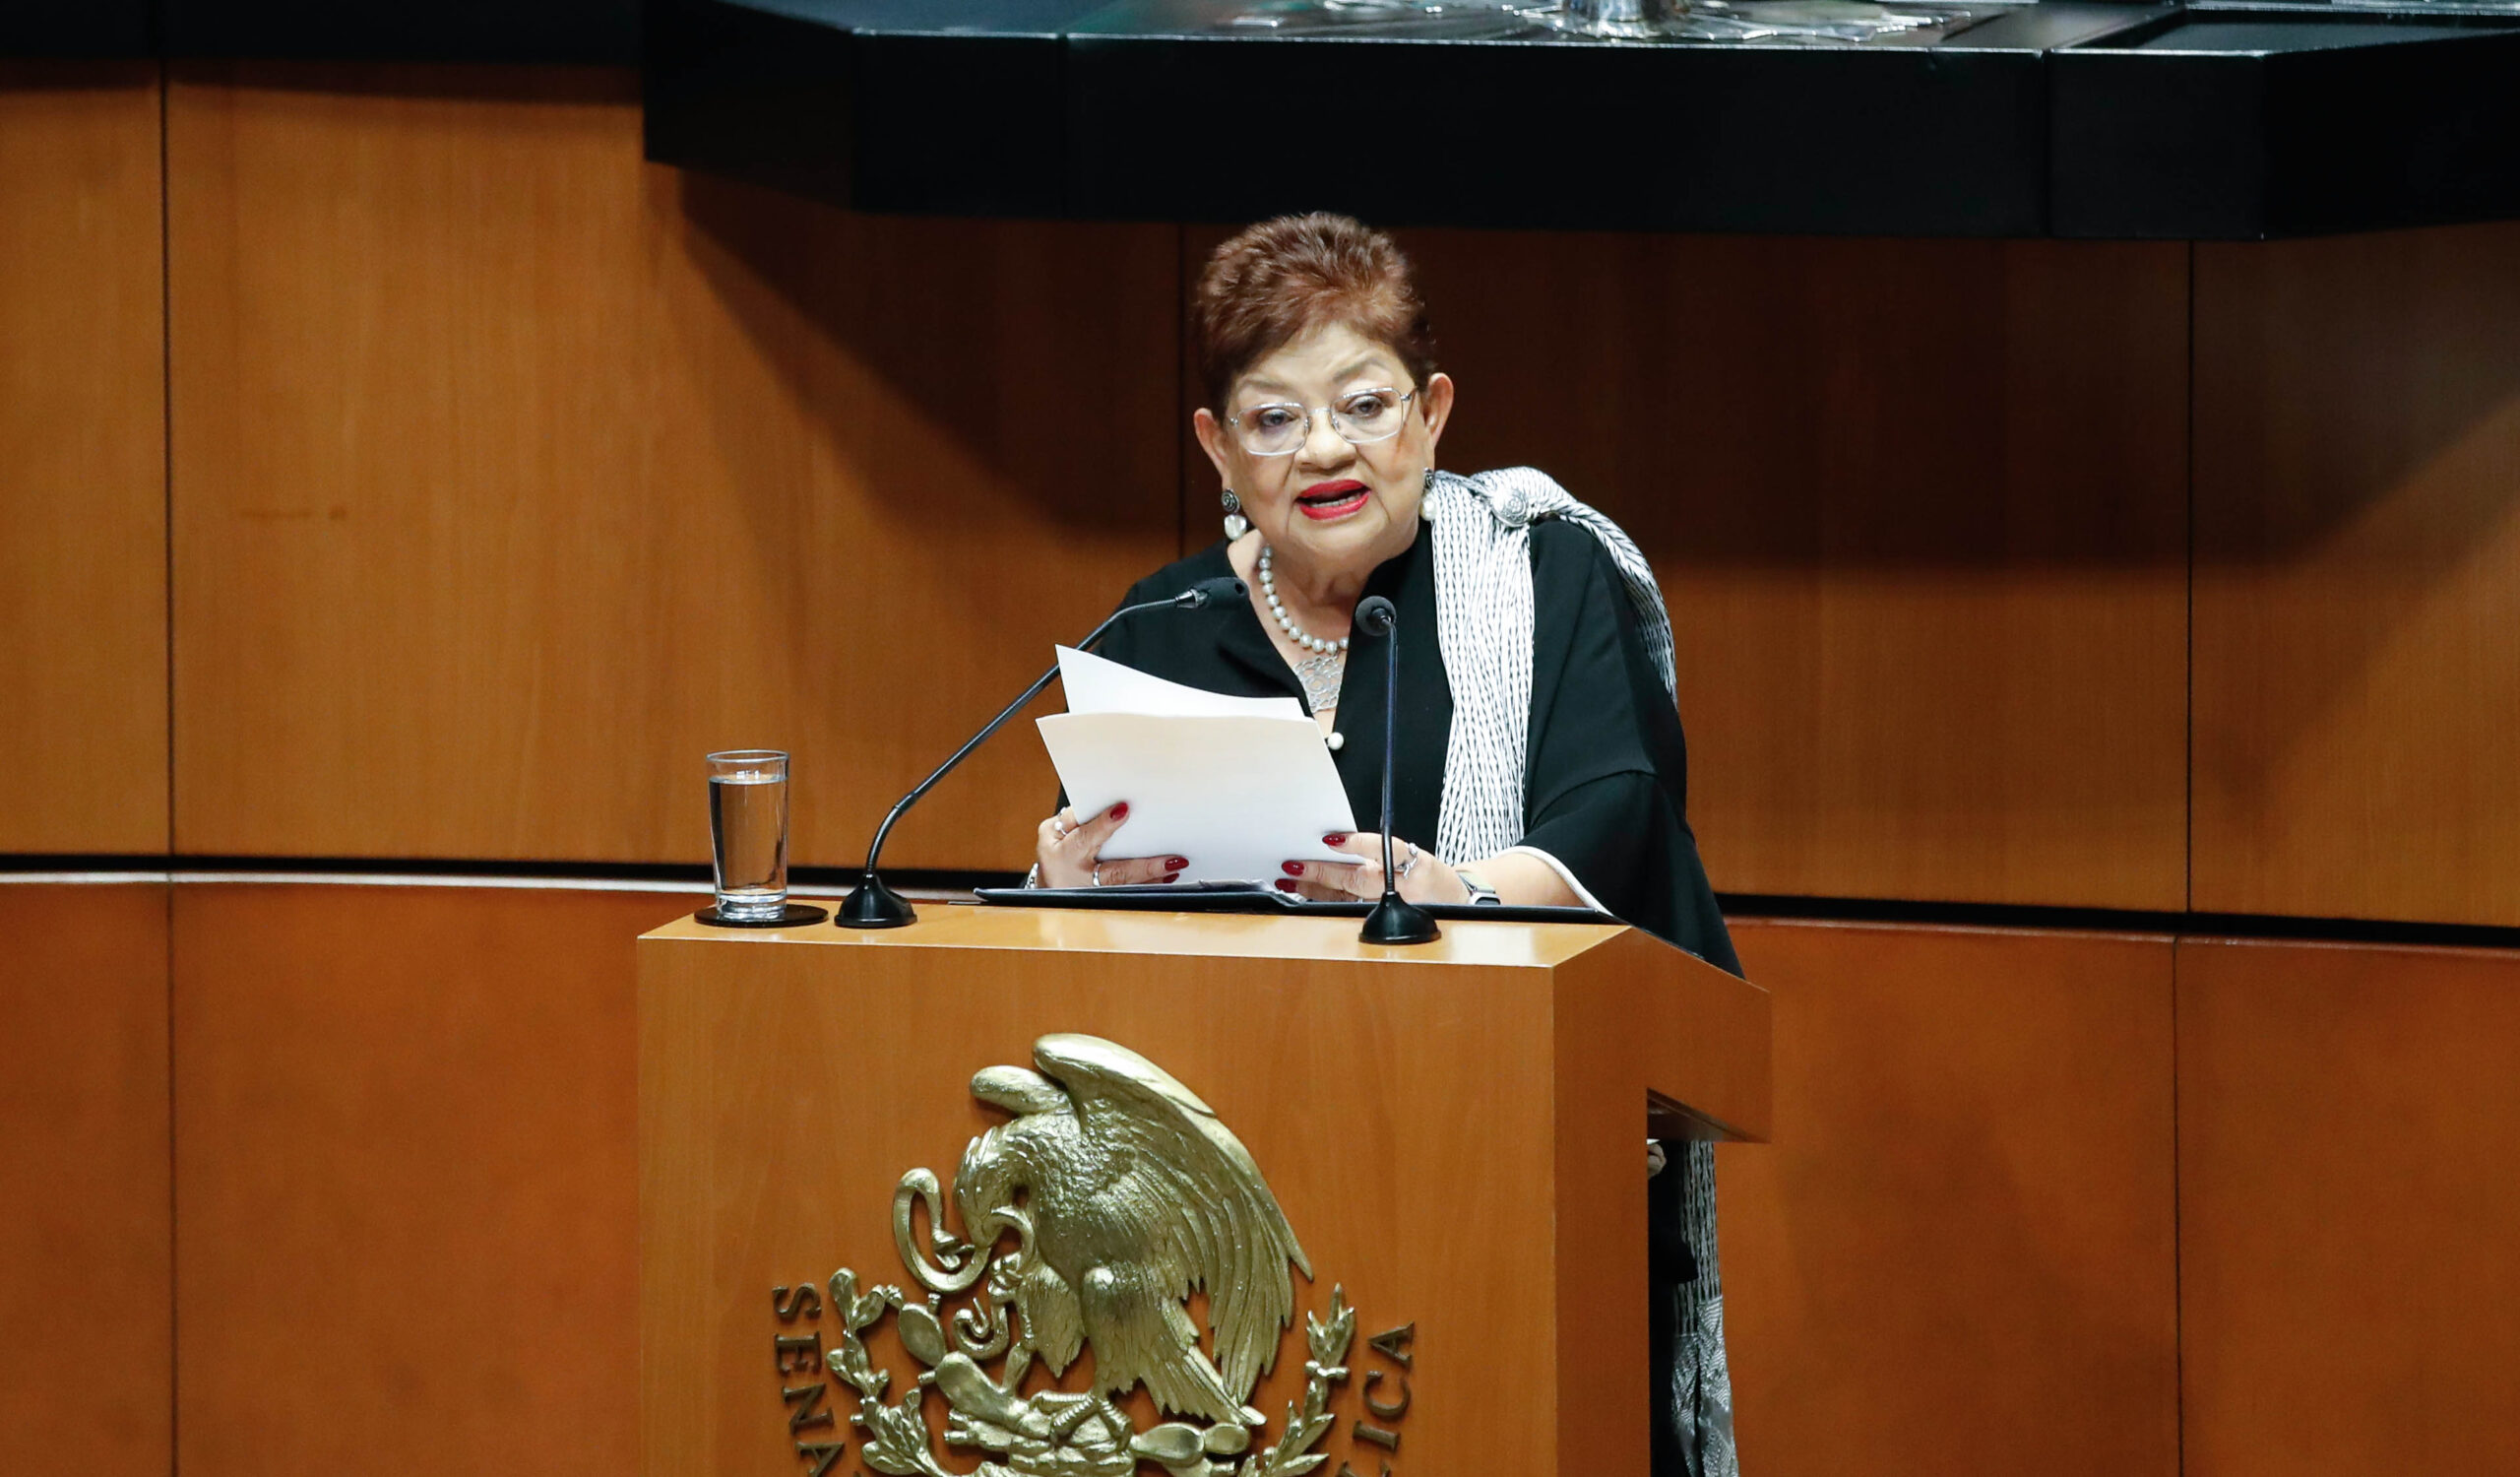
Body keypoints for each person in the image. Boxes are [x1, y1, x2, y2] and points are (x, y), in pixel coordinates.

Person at [1027, 213, 1741, 1477]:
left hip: (1512, 1169)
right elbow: (1090, 973)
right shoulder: (1158, 631)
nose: (1326, 450)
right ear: (1216, 446)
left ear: (1431, 414)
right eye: (1274, 418)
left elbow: (1618, 811)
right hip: (1242, 1208)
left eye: (1363, 404)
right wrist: (1058, 893)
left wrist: (1449, 890)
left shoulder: (1542, 577)